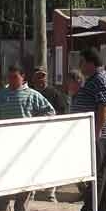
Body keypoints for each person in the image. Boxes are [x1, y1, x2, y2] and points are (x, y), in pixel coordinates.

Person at [0, 64, 55, 211]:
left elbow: (50, 112)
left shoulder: (32, 95)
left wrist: (35, 126)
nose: (11, 80)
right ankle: (0, 209)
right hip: (4, 144)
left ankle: (20, 209)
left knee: (25, 177)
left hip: (26, 146)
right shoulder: (2, 96)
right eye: (9, 77)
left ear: (23, 77)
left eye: (15, 77)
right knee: (1, 177)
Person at [72, 48, 106, 211]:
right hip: (98, 133)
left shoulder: (101, 79)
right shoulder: (95, 79)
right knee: (102, 171)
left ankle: (89, 210)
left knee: (96, 172)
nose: (80, 66)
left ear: (91, 63)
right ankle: (104, 210)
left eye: (81, 62)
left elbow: (104, 107)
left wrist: (96, 131)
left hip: (101, 135)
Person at [31, 65, 67, 203]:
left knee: (50, 162)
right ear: (33, 78)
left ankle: (50, 192)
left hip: (49, 132)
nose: (41, 79)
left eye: (43, 76)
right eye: (38, 76)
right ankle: (31, 192)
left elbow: (62, 111)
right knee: (32, 163)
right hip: (32, 134)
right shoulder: (29, 93)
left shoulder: (54, 93)